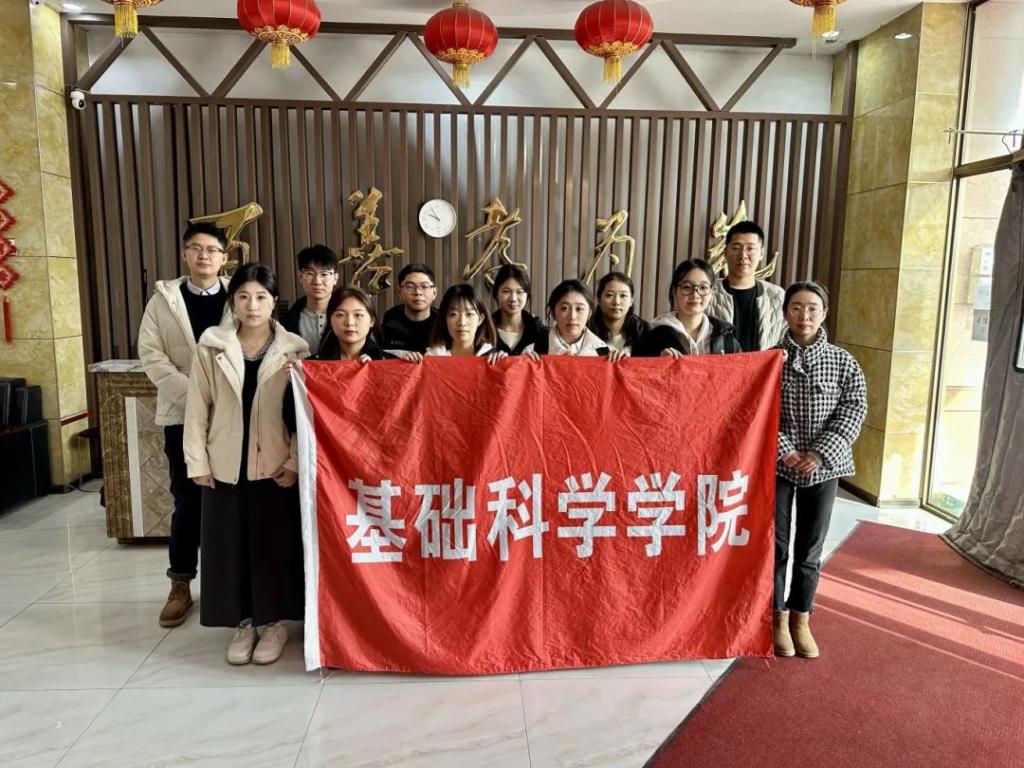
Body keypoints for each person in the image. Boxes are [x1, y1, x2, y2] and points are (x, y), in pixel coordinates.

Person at [183, 263, 309, 666]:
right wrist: (197, 460)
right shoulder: (211, 346)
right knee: (229, 545)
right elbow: (197, 407)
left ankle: (273, 624)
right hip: (225, 462)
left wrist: (295, 460)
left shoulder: (296, 349)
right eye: (243, 297)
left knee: (274, 546)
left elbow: (303, 414)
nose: (252, 305)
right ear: (232, 302)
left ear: (274, 302)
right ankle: (243, 622)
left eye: (261, 297)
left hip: (274, 463)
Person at [138, 221, 231, 629]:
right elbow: (151, 355)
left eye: (212, 250)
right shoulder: (163, 301)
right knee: (187, 500)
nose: (204, 255)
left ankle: (229, 584)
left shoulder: (239, 296)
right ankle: (180, 585)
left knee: (229, 499)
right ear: (185, 254)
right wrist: (193, 394)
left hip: (230, 416)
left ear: (225, 257)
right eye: (196, 248)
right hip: (181, 415)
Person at [773, 281, 867, 660]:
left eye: (812, 308)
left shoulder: (844, 362)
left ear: (824, 313)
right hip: (779, 465)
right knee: (776, 545)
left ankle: (801, 617)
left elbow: (854, 408)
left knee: (810, 547)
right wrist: (786, 450)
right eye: (797, 307)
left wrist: (820, 453)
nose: (804, 315)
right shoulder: (771, 359)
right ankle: (776, 617)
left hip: (825, 467)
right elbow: (757, 408)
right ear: (786, 313)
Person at [635, 259, 741, 357]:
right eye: (686, 287)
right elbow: (639, 369)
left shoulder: (725, 339)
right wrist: (659, 363)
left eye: (703, 287)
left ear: (712, 292)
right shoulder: (654, 337)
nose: (695, 295)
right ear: (674, 291)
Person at [706, 221, 786, 352]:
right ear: (725, 252)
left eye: (750, 248)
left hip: (763, 366)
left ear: (761, 253)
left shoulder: (777, 296)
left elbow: (787, 340)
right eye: (736, 248)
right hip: (719, 365)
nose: (743, 255)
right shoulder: (708, 293)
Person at [414, 284, 506, 364]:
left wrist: (504, 363)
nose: (462, 322)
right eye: (453, 314)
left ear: (480, 319)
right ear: (445, 318)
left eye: (469, 314)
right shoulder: (432, 358)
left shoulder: (491, 358)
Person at [523, 279, 616, 359]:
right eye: (564, 308)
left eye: (579, 309)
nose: (572, 316)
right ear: (553, 312)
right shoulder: (533, 352)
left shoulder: (607, 354)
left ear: (589, 313)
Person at [281, 245, 339, 352]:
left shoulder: (348, 316)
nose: (317, 281)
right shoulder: (287, 321)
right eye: (310, 274)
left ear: (335, 278)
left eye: (324, 274)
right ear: (300, 277)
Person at [381, 263, 439, 354]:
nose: (418, 292)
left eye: (424, 286)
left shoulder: (444, 327)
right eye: (410, 286)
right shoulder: (388, 327)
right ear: (400, 292)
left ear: (434, 293)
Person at [490, 264, 547, 355]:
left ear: (527, 295)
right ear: (496, 294)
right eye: (506, 291)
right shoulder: (483, 332)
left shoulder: (541, 334)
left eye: (519, 292)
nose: (513, 298)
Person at [590, 271, 649, 355]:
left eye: (623, 296)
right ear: (599, 299)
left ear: (631, 301)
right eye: (609, 295)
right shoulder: (586, 330)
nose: (616, 302)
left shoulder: (644, 331)